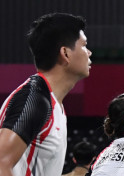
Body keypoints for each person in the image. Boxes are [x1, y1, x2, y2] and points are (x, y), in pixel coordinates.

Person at [0, 13, 92, 176]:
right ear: (66, 53)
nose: (89, 52)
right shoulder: (35, 98)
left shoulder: (52, 103)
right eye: (84, 46)